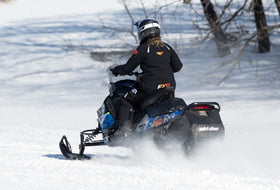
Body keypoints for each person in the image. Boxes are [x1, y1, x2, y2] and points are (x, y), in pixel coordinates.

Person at [111, 19, 183, 137]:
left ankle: (123, 132)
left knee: (126, 100)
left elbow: (128, 68)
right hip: (169, 88)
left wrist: (116, 70)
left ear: (142, 33)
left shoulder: (143, 48)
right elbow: (178, 67)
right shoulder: (167, 47)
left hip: (151, 88)